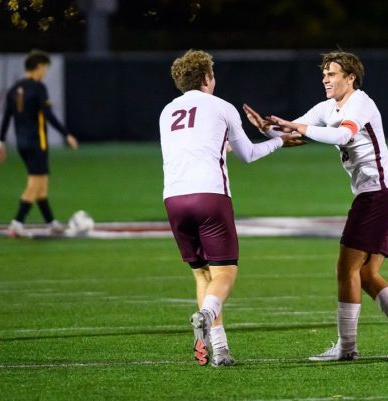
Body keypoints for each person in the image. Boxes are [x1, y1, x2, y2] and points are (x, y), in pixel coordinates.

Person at [243, 51, 388, 361]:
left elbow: (341, 133)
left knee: (345, 268)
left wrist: (296, 128)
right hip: (384, 196)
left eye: (333, 74)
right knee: (365, 274)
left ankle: (347, 348)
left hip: (376, 197)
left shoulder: (360, 102)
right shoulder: (328, 107)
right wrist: (266, 129)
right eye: (324, 74)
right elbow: (292, 130)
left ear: (350, 78)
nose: (326, 79)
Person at [160, 49, 304, 367]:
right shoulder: (222, 107)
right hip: (210, 196)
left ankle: (219, 350)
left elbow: (191, 148)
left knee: (203, 275)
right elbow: (249, 154)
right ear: (208, 78)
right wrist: (280, 141)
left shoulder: (167, 111)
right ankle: (207, 315)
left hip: (173, 199)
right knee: (225, 271)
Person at [0, 49, 78, 238]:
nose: (46, 72)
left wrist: (0, 142)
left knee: (42, 184)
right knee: (35, 183)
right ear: (38, 67)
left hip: (22, 144)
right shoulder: (39, 88)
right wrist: (67, 135)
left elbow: (7, 117)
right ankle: (17, 222)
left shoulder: (14, 89)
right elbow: (48, 115)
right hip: (37, 143)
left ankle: (51, 222)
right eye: (45, 68)